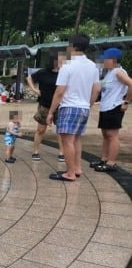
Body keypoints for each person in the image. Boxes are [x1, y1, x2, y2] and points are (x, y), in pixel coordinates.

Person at [47, 34, 100, 182]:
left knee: (67, 141)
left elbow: (59, 92)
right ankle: (77, 168)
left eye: (68, 45)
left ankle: (69, 173)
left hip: (69, 106)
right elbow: (96, 89)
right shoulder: (92, 66)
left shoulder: (67, 66)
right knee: (76, 139)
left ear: (73, 47)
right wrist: (88, 104)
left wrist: (51, 112)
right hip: (84, 107)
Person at [91, 48, 132, 172]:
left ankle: (111, 162)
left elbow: (131, 84)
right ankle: (103, 158)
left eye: (105, 59)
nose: (103, 61)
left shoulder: (118, 72)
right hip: (106, 107)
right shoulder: (109, 72)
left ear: (113, 60)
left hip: (114, 107)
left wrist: (126, 101)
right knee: (105, 135)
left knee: (112, 136)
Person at [27, 50, 66, 162]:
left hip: (61, 106)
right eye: (61, 58)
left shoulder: (64, 73)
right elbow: (29, 78)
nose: (63, 60)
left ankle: (62, 152)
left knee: (61, 130)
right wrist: (34, 90)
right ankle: (35, 151)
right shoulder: (43, 72)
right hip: (45, 104)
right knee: (40, 129)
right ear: (54, 60)